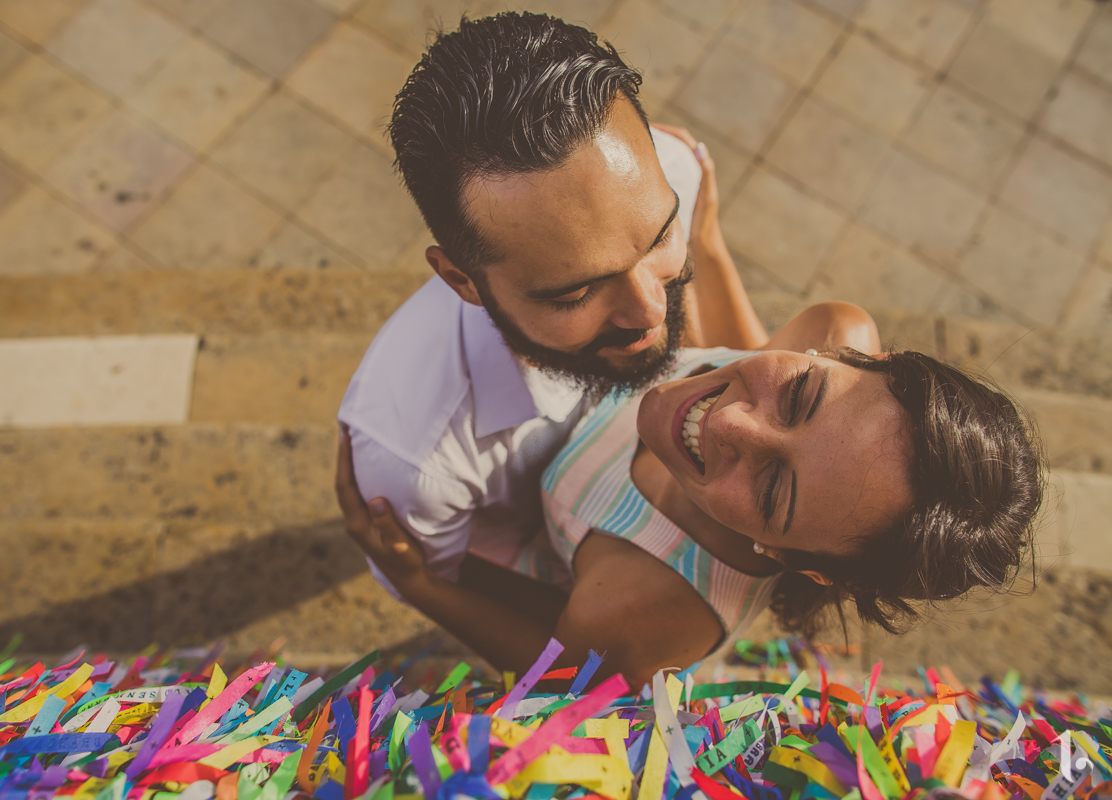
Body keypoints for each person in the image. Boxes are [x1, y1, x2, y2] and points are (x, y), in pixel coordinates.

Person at [337, 11, 875, 599]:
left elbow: (730, 353)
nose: (650, 311)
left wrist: (706, 240)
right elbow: (532, 624)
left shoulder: (674, 167)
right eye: (575, 292)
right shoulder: (417, 464)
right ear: (461, 280)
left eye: (662, 236)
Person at [338, 338, 1046, 689]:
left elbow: (559, 672)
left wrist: (429, 585)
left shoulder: (642, 600)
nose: (732, 421)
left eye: (774, 492)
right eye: (799, 394)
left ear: (799, 564)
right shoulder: (832, 327)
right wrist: (703, 234)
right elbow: (746, 335)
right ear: (849, 354)